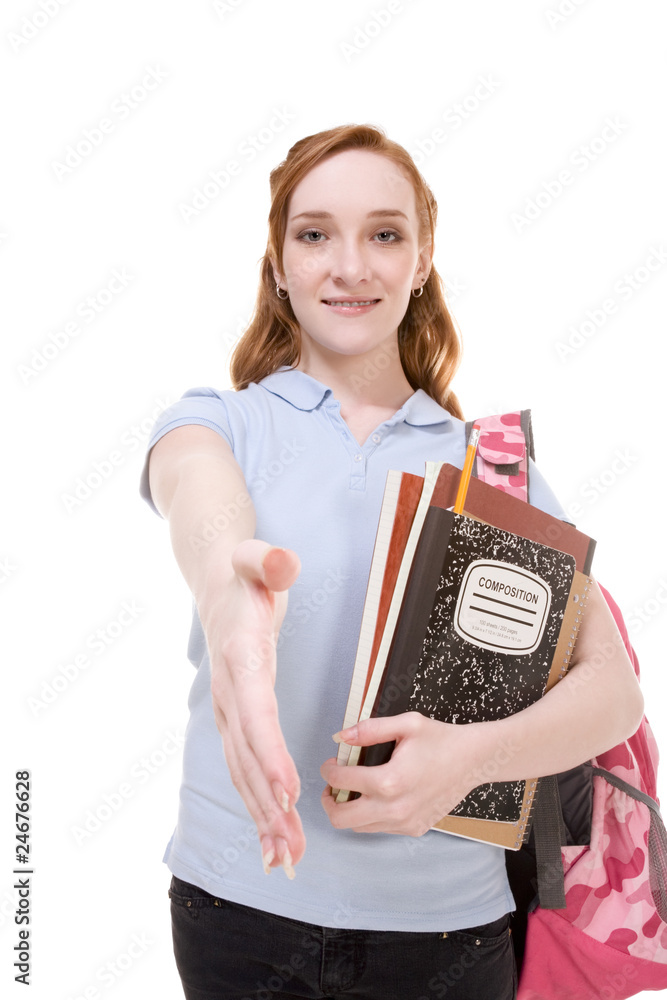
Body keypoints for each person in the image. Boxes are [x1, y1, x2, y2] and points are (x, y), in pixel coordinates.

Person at [140, 123, 644, 1000]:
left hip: (446, 935)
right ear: (278, 263)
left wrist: (471, 758)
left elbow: (612, 692)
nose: (349, 266)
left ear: (420, 261)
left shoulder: (492, 468)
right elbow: (202, 506)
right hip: (233, 912)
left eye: (383, 234)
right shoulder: (220, 422)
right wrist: (235, 611)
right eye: (313, 234)